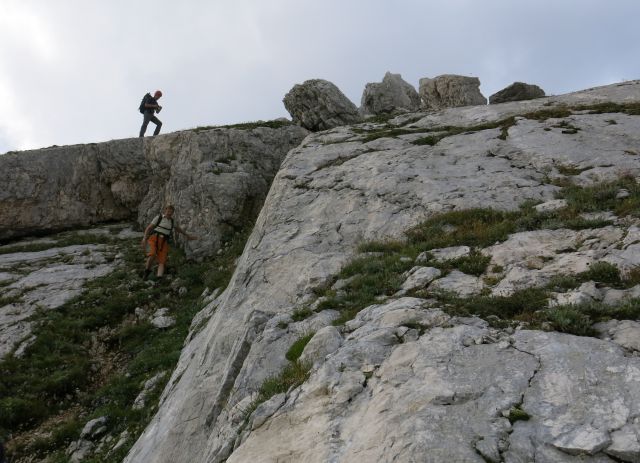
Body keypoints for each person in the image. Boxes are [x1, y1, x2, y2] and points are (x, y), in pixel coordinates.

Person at [141, 205, 196, 280]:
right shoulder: (159, 217)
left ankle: (159, 278)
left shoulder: (172, 221)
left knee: (162, 260)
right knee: (152, 254)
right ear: (165, 210)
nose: (169, 212)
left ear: (173, 212)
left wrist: (187, 235)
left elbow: (178, 229)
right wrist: (144, 238)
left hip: (164, 241)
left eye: (171, 211)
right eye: (168, 210)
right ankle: (146, 272)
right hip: (154, 238)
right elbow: (149, 228)